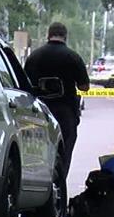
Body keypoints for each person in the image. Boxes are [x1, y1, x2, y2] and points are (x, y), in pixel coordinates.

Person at [23, 22, 90, 177]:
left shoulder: (34, 57)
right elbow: (84, 86)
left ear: (48, 35)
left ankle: (39, 182)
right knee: (64, 153)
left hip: (38, 112)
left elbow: (24, 85)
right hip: (65, 113)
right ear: (65, 36)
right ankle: (59, 185)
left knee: (37, 153)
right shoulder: (72, 57)